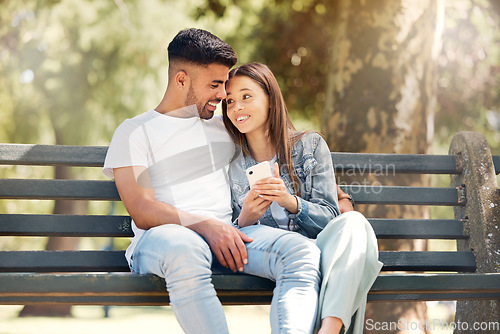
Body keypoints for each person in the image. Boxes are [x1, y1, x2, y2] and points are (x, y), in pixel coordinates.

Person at [103, 28, 322, 334]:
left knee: (302, 253)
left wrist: (339, 195)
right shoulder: (135, 132)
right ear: (182, 80)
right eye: (215, 84)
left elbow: (284, 155)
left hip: (229, 238)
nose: (223, 95)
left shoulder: (225, 128)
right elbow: (142, 208)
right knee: (187, 249)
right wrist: (207, 225)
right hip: (163, 242)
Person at [222, 63, 383, 334]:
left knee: (354, 223)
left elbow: (331, 217)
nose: (236, 107)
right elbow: (233, 233)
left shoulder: (310, 146)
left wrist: (289, 201)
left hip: (322, 249)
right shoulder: (231, 163)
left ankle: (329, 330)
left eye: (246, 96)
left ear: (271, 100)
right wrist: (246, 218)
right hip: (281, 259)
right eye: (229, 101)